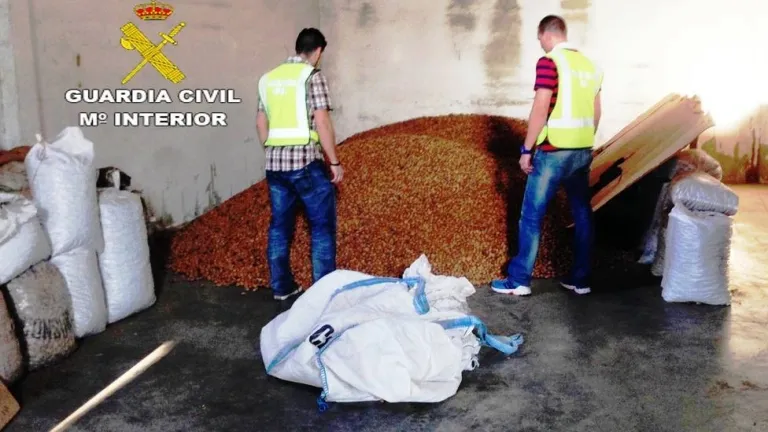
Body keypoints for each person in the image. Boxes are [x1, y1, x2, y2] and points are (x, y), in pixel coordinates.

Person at [491, 15, 602, 297]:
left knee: (531, 216)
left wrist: (527, 150)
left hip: (553, 151)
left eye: (539, 37)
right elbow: (596, 110)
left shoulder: (549, 62)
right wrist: (584, 141)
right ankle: (581, 280)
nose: (540, 43)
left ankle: (519, 280)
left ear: (547, 34)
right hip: (582, 151)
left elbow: (541, 107)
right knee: (582, 213)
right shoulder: (590, 66)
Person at [256, 28, 343, 302]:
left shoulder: (268, 79)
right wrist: (334, 161)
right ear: (318, 51)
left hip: (275, 167)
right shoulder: (312, 76)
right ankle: (323, 294)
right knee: (321, 228)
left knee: (280, 227)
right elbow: (322, 121)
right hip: (305, 163)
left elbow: (261, 122)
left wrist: (272, 149)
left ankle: (282, 287)